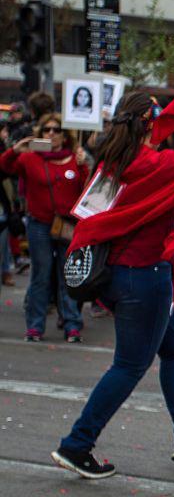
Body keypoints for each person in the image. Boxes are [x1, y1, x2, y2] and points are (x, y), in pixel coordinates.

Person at [51, 84, 174, 479]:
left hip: (117, 277)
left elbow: (90, 219)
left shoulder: (111, 166)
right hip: (144, 278)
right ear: (150, 125)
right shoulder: (156, 163)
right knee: (129, 365)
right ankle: (77, 443)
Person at [0, 113, 89, 342]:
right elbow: (4, 167)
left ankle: (71, 324)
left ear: (64, 134)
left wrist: (83, 165)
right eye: (47, 129)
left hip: (67, 226)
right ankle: (35, 326)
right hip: (39, 224)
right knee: (41, 275)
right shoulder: (30, 158)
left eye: (57, 129)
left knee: (67, 275)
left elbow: (86, 189)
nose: (51, 133)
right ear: (40, 133)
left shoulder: (73, 158)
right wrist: (15, 149)